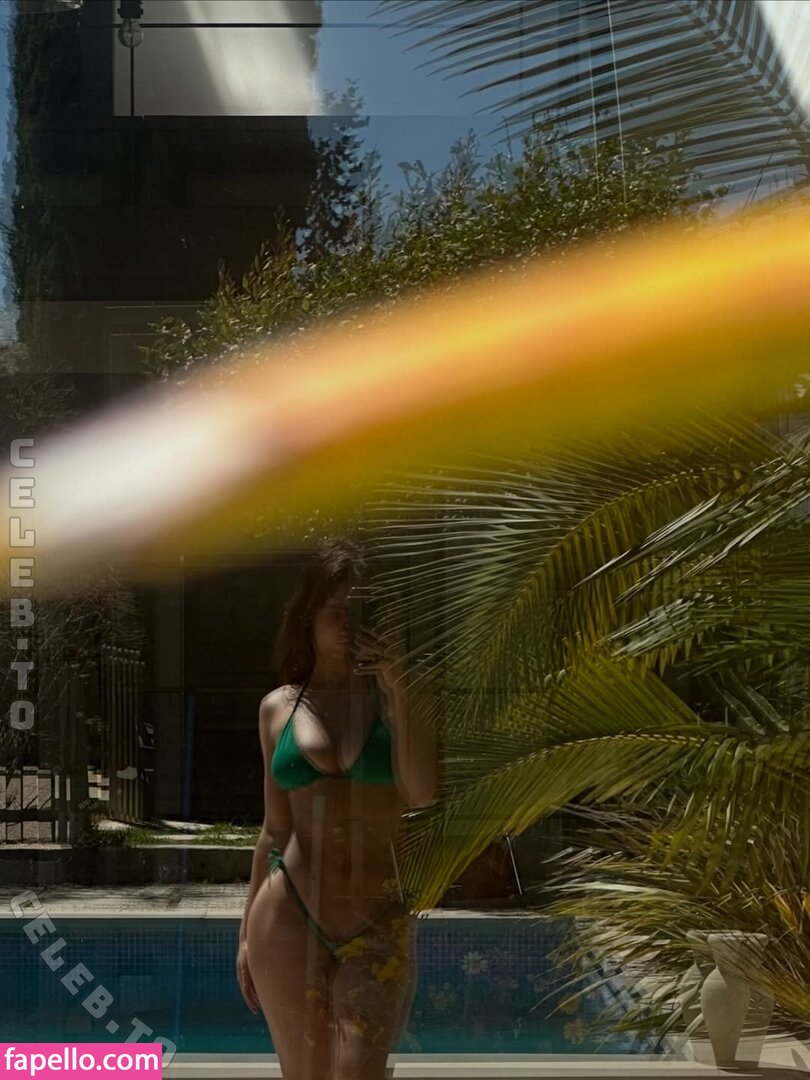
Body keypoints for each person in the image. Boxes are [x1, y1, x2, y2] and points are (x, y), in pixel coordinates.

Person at [237, 538, 438, 1080]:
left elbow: (421, 793)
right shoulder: (277, 708)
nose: (347, 624)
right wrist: (244, 933)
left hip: (377, 919)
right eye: (335, 610)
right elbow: (275, 830)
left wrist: (399, 688)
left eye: (361, 611)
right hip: (288, 915)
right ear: (309, 616)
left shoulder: (402, 701)